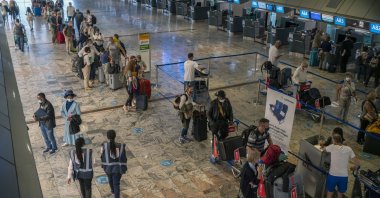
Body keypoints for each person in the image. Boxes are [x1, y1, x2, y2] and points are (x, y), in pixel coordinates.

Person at [324, 134, 360, 198]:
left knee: (330, 193)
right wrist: (354, 167)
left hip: (333, 175)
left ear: (334, 141)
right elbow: (357, 163)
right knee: (340, 194)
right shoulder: (348, 149)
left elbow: (324, 149)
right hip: (343, 176)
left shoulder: (332, 147)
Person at [101, 130, 127, 198]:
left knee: (110, 179)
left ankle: (112, 190)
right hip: (118, 169)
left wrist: (104, 167)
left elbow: (102, 157)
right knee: (116, 184)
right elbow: (124, 158)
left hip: (108, 169)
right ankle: (115, 193)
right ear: (115, 136)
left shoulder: (104, 146)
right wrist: (124, 168)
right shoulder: (121, 146)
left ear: (107, 137)